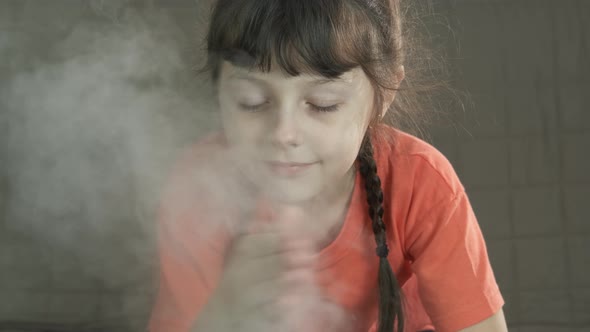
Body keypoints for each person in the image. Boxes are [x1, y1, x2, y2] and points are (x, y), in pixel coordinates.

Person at [148, 0, 507, 331]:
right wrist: (223, 313)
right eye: (252, 101)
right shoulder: (199, 188)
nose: (284, 134)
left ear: (384, 95)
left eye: (322, 104)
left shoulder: (421, 183)